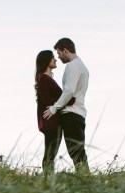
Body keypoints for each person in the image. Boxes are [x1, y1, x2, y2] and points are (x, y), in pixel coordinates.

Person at [43, 37, 90, 172]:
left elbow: (69, 91)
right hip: (79, 114)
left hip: (71, 114)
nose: (58, 56)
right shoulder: (83, 67)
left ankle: (85, 178)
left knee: (75, 151)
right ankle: (85, 177)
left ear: (65, 50)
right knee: (78, 150)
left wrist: (53, 108)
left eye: (58, 53)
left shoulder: (73, 65)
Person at [35, 50, 73, 174]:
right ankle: (47, 176)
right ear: (46, 61)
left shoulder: (46, 78)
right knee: (50, 153)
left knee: (51, 152)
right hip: (50, 122)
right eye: (52, 58)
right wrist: (67, 100)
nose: (55, 59)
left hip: (52, 121)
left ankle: (48, 176)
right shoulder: (44, 79)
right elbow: (47, 100)